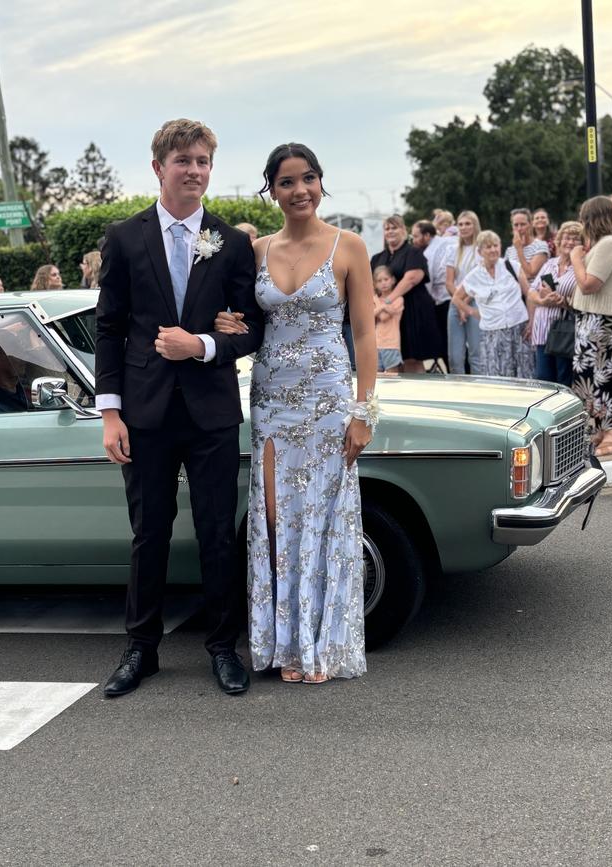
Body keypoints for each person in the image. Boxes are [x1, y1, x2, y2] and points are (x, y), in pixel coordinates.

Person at [95, 118, 265, 698]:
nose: (195, 171)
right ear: (158, 167)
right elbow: (110, 330)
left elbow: (252, 329)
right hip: (143, 414)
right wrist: (110, 413)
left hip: (211, 410)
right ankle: (141, 648)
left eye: (203, 162)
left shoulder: (233, 242)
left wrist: (205, 345)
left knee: (218, 532)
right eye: (183, 161)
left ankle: (222, 647)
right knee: (149, 534)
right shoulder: (122, 238)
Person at [214, 143, 377, 684]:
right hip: (271, 404)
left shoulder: (348, 246)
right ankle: (285, 643)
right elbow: (241, 319)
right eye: (287, 182)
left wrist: (364, 411)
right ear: (273, 191)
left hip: (329, 402)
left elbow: (365, 333)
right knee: (276, 519)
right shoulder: (254, 250)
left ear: (320, 183)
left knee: (326, 519)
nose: (300, 189)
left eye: (308, 178)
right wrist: (222, 326)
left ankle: (321, 646)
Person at [452, 230, 534, 378]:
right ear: (480, 251)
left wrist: (531, 321)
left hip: (519, 328)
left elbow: (529, 294)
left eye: (496, 245)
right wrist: (472, 312)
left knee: (524, 374)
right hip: (493, 333)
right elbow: (456, 298)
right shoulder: (474, 275)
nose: (493, 250)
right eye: (488, 247)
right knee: (498, 375)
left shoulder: (512, 266)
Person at [570, 195, 612, 457]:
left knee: (605, 379)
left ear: (592, 218)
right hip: (592, 321)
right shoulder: (601, 244)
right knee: (591, 380)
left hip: (603, 323)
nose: (579, 222)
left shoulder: (610, 243)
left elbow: (589, 285)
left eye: (582, 217)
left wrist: (577, 258)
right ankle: (600, 430)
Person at [370, 215, 441, 373]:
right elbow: (371, 285)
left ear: (403, 230)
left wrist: (387, 301)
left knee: (412, 360)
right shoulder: (377, 258)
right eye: (387, 228)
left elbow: (411, 279)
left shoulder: (413, 252)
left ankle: (417, 395)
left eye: (394, 227)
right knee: (388, 363)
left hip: (412, 312)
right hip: (385, 320)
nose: (390, 231)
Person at [529, 220, 582, 386]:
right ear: (559, 240)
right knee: (543, 379)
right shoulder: (549, 263)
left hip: (564, 333)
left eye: (575, 239)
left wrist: (561, 301)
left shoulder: (581, 268)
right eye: (567, 238)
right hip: (542, 330)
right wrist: (542, 300)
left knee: (563, 380)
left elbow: (581, 300)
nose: (570, 242)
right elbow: (532, 291)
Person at [445, 211, 482, 375]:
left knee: (476, 354)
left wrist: (464, 304)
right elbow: (449, 281)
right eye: (460, 224)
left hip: (475, 303)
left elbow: (480, 280)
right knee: (455, 356)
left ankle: (480, 391)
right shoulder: (452, 249)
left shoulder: (481, 249)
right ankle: (457, 393)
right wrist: (459, 304)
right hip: (455, 303)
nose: (464, 227)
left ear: (475, 225)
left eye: (468, 223)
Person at [411, 220, 451, 370]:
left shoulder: (429, 252)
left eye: (416, 236)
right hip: (453, 297)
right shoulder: (446, 241)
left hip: (443, 301)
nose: (414, 240)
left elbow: (429, 281)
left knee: (446, 344)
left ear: (427, 235)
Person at [504, 208, 549, 285]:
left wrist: (519, 249)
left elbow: (529, 274)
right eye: (516, 225)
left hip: (532, 292)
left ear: (530, 224)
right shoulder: (509, 250)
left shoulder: (541, 245)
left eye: (523, 224)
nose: (519, 228)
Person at [373, 264, 404, 373]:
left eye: (386, 279)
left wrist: (380, 306)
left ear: (393, 280)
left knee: (392, 376)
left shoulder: (398, 299)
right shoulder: (375, 299)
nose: (383, 283)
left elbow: (384, 317)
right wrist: (384, 306)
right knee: (377, 377)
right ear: (375, 284)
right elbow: (371, 315)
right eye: (379, 281)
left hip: (391, 343)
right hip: (376, 343)